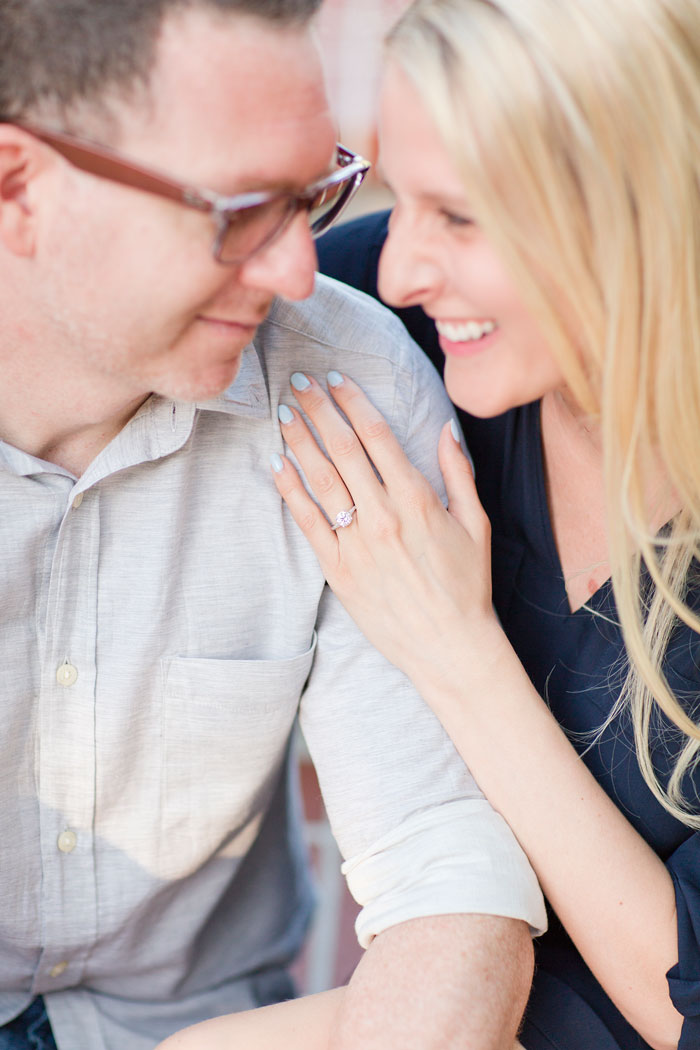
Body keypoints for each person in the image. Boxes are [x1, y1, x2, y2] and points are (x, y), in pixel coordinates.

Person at [0, 1, 549, 1049]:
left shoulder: (349, 382)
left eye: (314, 195)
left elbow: (444, 870)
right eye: (240, 210)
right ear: (20, 187)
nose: (302, 271)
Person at [158, 0, 700, 1047]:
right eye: (401, 202)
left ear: (641, 209)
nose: (398, 269)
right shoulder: (389, 324)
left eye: (460, 217)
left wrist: (455, 649)